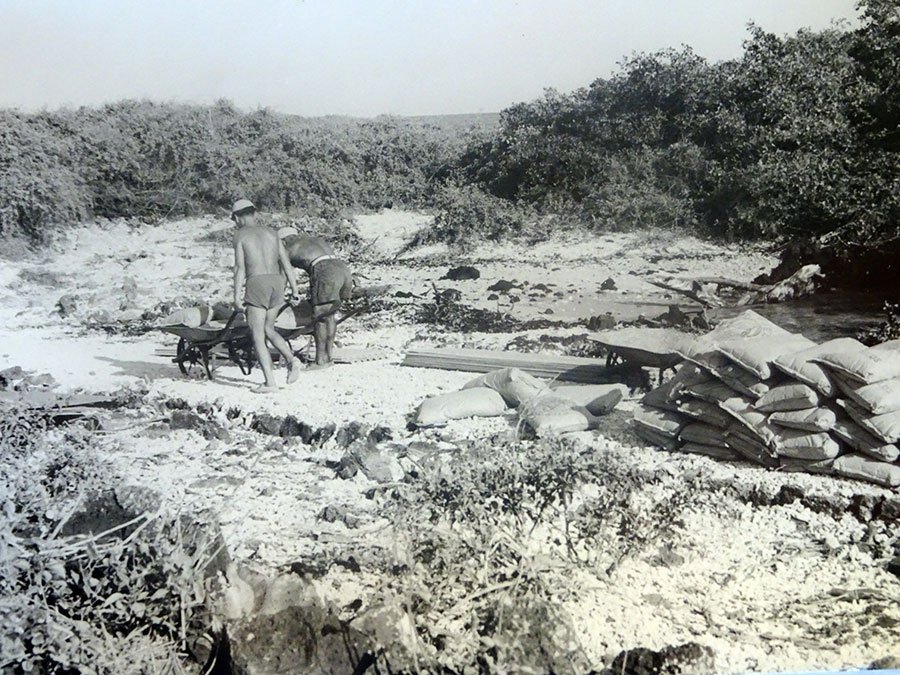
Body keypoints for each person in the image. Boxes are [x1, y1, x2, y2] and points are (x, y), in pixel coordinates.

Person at [231, 199, 302, 392]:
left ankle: (270, 383)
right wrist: (295, 290)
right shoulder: (272, 233)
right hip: (277, 282)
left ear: (237, 218)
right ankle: (292, 359)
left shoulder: (240, 235)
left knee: (257, 335)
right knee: (269, 328)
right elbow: (286, 263)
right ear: (254, 214)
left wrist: (236, 296)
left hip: (257, 282)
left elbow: (240, 268)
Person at [281, 228, 353, 369]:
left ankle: (320, 361)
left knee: (319, 317)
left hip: (325, 270)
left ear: (283, 241)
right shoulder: (312, 239)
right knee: (330, 316)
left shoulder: (287, 247)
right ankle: (329, 357)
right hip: (342, 268)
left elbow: (283, 275)